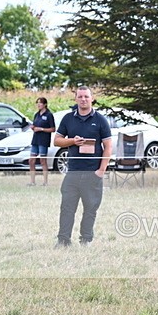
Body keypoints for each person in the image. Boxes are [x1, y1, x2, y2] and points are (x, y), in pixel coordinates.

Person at [53, 86, 112, 247]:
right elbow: (57, 140)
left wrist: (101, 171)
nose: (83, 99)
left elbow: (108, 146)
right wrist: (72, 141)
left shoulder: (100, 120)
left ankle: (86, 240)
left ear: (92, 98)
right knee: (67, 208)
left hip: (93, 172)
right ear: (76, 99)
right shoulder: (68, 119)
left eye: (86, 96)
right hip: (72, 172)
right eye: (80, 96)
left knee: (90, 209)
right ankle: (63, 240)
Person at [28, 97, 56, 186]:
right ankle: (32, 182)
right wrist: (33, 128)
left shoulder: (49, 115)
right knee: (31, 161)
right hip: (35, 140)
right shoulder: (37, 114)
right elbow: (35, 125)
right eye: (37, 103)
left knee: (42, 161)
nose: (38, 105)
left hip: (43, 140)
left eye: (40, 103)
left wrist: (42, 129)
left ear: (45, 104)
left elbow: (53, 129)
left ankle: (45, 182)